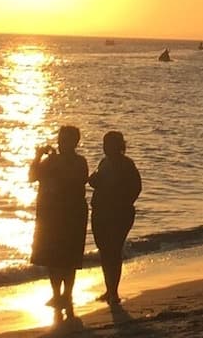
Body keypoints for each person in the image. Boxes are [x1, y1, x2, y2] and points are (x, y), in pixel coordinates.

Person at [29, 126, 89, 321]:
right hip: (50, 214)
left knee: (69, 256)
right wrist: (38, 156)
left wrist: (54, 167)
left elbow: (76, 181)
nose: (63, 144)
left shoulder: (79, 162)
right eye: (61, 139)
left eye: (68, 140)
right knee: (51, 256)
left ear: (75, 142)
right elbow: (32, 177)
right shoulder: (50, 160)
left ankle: (67, 294)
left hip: (72, 213)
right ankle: (57, 295)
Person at [88, 131, 141, 304]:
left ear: (119, 146)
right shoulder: (104, 162)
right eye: (104, 144)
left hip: (118, 214)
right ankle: (109, 289)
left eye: (109, 144)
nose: (105, 148)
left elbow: (136, 187)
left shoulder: (126, 164)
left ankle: (114, 292)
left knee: (113, 251)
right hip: (101, 211)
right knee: (105, 251)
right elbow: (96, 182)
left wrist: (122, 202)